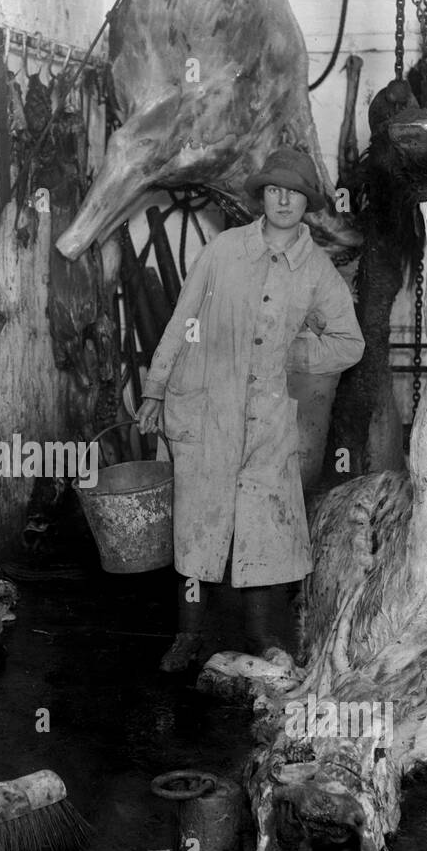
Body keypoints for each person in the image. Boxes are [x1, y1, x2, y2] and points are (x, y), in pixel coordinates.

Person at [136, 146, 364, 672]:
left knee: (265, 522)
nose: (284, 200)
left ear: (307, 202)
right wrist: (155, 389)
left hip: (267, 418)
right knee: (196, 526)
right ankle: (188, 636)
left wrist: (296, 352)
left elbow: (350, 344)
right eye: (274, 189)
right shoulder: (224, 251)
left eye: (295, 192)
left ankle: (263, 635)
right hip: (205, 408)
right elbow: (182, 319)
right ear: (262, 196)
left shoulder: (316, 271)